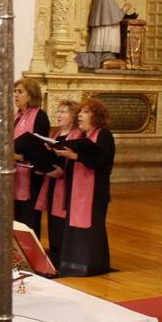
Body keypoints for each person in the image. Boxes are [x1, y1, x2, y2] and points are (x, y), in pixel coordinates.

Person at [53, 98, 115, 277]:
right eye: (80, 112)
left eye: (85, 112)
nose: (80, 115)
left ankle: (94, 266)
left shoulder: (103, 135)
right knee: (75, 229)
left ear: (97, 117)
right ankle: (73, 264)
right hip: (76, 192)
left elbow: (100, 162)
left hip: (95, 193)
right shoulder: (81, 137)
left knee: (93, 230)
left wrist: (75, 156)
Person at [4, 78, 51, 237]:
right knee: (13, 219)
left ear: (31, 96)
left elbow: (42, 147)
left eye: (20, 92)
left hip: (30, 176)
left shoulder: (40, 116)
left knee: (28, 219)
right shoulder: (14, 115)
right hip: (12, 174)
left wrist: (20, 156)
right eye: (14, 92)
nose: (16, 95)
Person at [38, 99, 80, 267]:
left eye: (64, 112)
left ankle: (65, 258)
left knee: (62, 222)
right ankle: (54, 257)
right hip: (53, 181)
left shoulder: (77, 136)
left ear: (74, 116)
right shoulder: (55, 135)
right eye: (59, 111)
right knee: (53, 222)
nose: (59, 115)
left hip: (67, 184)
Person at [81, 0, 127, 69]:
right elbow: (116, 16)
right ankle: (106, 62)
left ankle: (98, 62)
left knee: (98, 53)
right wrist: (125, 9)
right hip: (107, 31)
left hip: (99, 31)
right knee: (107, 53)